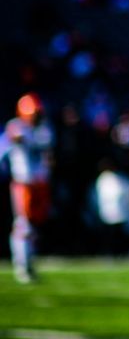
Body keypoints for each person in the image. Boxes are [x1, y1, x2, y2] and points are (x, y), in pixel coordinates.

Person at [4, 93, 53, 283]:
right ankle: (21, 265)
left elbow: (44, 147)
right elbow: (12, 141)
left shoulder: (44, 129)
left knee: (35, 226)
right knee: (23, 225)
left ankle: (29, 262)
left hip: (40, 183)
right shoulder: (17, 127)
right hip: (23, 183)